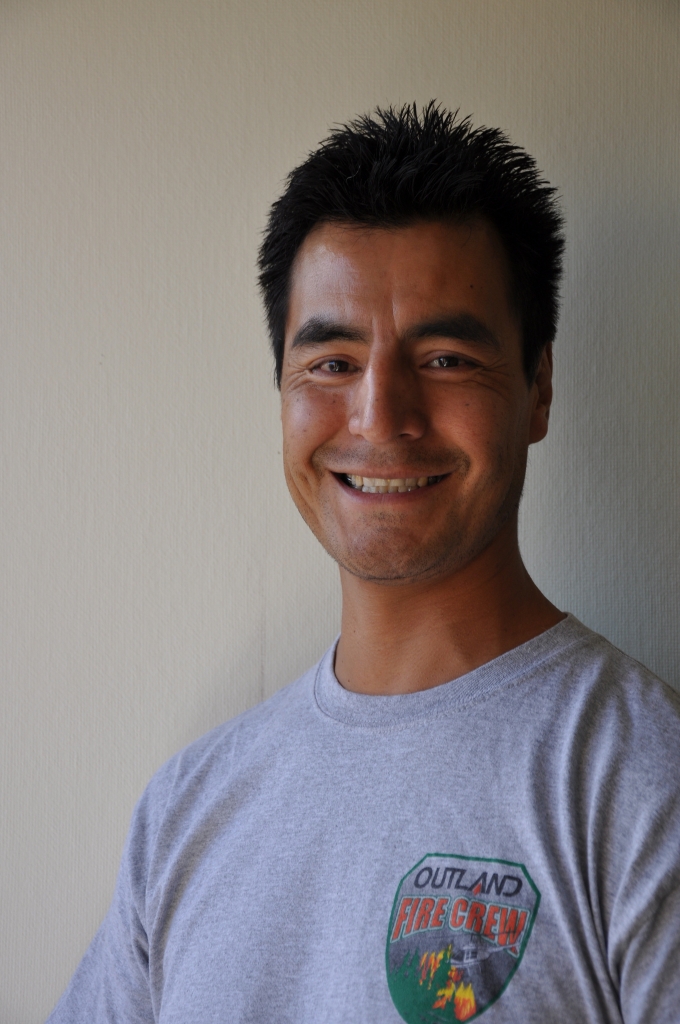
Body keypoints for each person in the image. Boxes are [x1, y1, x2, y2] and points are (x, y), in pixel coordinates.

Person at [47, 103, 680, 1024]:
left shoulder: (644, 786)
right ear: (282, 389)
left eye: (447, 358)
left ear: (539, 386)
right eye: (333, 363)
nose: (381, 417)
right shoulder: (187, 810)